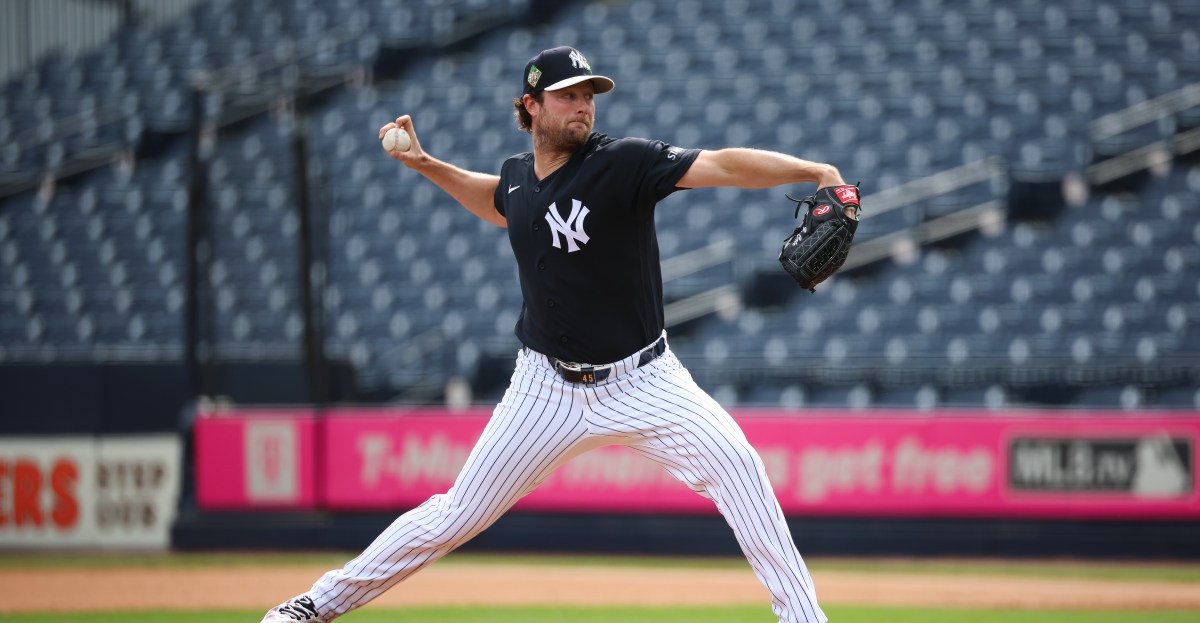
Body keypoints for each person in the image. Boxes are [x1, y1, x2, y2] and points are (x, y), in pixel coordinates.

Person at [262, 45, 848, 623]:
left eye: (589, 94)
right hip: (544, 389)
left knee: (739, 467)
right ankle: (316, 605)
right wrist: (427, 164)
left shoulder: (623, 163)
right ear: (531, 106)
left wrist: (815, 172)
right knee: (456, 514)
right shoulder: (519, 177)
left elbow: (723, 164)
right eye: (568, 95)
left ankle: (804, 618)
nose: (583, 105)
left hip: (645, 380)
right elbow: (498, 203)